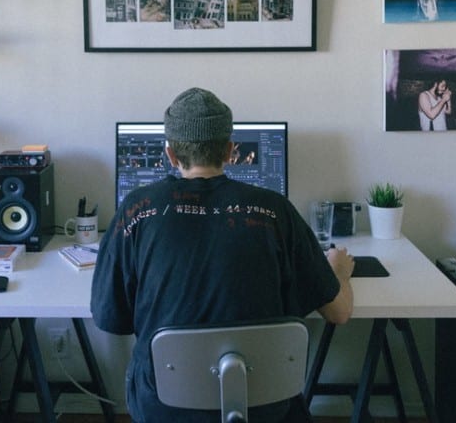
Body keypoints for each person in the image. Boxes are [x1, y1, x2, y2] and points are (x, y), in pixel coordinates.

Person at [91, 88, 354, 422]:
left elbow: (109, 319)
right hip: (264, 405)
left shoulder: (135, 211)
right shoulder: (276, 211)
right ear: (230, 150)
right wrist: (339, 272)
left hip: (166, 406)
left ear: (171, 156)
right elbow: (339, 312)